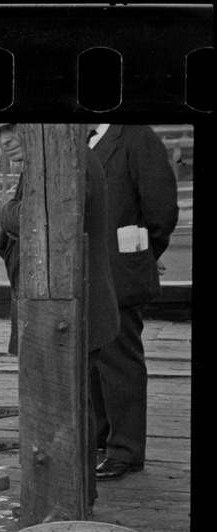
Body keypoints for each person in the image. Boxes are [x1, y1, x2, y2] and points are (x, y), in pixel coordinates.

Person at [0, 122, 120, 511]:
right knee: (75, 405)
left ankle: (69, 495)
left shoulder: (67, 158)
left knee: (65, 408)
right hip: (68, 306)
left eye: (11, 128)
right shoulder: (59, 155)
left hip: (68, 309)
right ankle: (77, 492)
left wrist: (6, 212)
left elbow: (46, 215)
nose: (4, 140)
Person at [87, 124, 179, 481]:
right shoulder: (83, 140)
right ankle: (101, 436)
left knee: (120, 358)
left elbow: (161, 211)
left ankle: (125, 451)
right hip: (88, 272)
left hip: (120, 273)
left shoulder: (137, 137)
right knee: (95, 356)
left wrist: (138, 257)